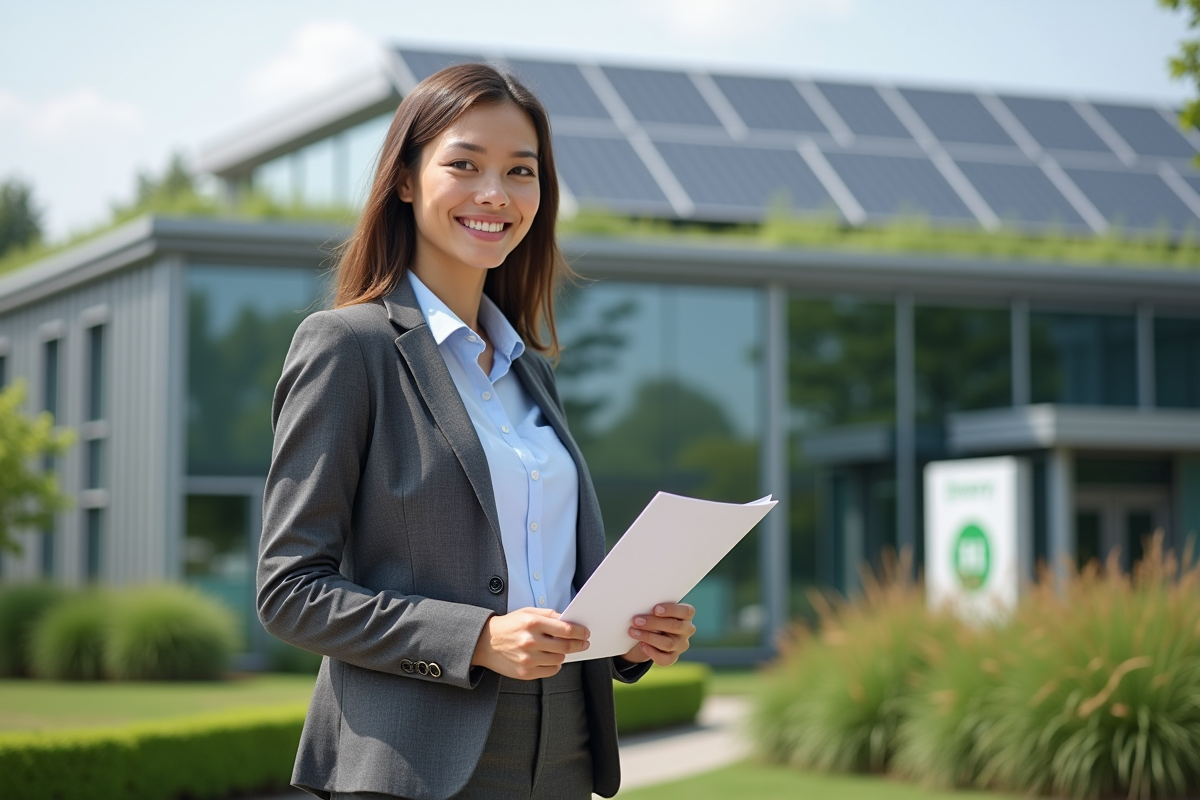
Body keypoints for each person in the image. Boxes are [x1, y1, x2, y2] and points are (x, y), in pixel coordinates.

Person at [256, 63, 698, 800]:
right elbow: (290, 591)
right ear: (405, 179)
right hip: (411, 762)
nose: (495, 194)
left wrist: (634, 635)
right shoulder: (347, 347)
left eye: (520, 172)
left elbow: (552, 577)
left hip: (564, 750)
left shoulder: (531, 372)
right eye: (464, 164)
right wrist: (478, 640)